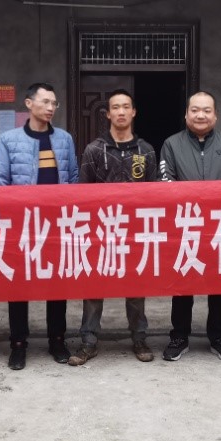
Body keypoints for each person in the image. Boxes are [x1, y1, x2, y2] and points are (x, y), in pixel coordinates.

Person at [0, 82, 79, 370]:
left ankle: (57, 340)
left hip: (56, 224)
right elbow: (0, 182)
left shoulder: (64, 139)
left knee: (57, 283)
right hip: (22, 225)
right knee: (19, 285)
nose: (51, 107)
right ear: (29, 104)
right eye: (45, 102)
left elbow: (73, 178)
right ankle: (18, 344)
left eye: (54, 103)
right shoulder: (9, 139)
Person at [69, 88, 159, 366]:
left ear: (134, 112)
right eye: (115, 107)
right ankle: (88, 341)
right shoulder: (94, 150)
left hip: (135, 232)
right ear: (107, 114)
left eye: (126, 107)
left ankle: (139, 338)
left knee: (136, 287)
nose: (121, 112)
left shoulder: (146, 150)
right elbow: (83, 194)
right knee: (94, 288)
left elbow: (155, 195)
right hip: (101, 231)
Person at [159, 91, 221, 362]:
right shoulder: (171, 144)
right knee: (183, 283)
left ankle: (218, 336)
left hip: (219, 225)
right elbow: (166, 182)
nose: (200, 115)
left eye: (207, 110)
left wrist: (212, 201)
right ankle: (179, 336)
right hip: (185, 224)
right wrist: (194, 201)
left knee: (219, 284)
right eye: (195, 110)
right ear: (186, 114)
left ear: (215, 115)